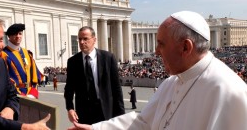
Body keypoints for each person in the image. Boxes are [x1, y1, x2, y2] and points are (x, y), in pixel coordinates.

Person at [68, 11, 247, 130]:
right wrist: (95, 128)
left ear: (185, 47)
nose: (156, 51)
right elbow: (143, 121)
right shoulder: (172, 82)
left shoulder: (230, 92)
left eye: (161, 44)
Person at [64, 26, 125, 125]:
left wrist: (121, 116)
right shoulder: (73, 62)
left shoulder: (108, 58)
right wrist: (70, 108)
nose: (81, 42)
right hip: (83, 113)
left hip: (105, 110)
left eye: (85, 39)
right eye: (79, 39)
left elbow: (116, 88)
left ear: (94, 40)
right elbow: (69, 89)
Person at [1, 23, 42, 99]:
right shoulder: (3, 55)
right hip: (14, 96)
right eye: (15, 34)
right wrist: (20, 96)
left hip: (31, 94)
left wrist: (32, 93)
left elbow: (34, 75)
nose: (18, 36)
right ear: (9, 36)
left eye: (20, 34)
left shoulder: (27, 53)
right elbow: (4, 80)